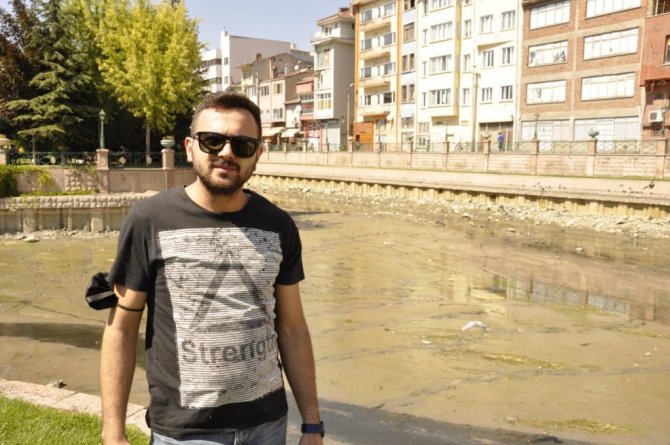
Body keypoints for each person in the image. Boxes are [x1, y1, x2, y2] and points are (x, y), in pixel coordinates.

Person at [100, 91, 324, 445]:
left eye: (242, 145)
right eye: (212, 141)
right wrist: (113, 432)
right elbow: (122, 330)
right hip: (186, 433)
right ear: (190, 147)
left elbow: (293, 327)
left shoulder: (278, 225)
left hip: (268, 427)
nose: (227, 153)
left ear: (258, 155)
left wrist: (312, 423)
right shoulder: (149, 219)